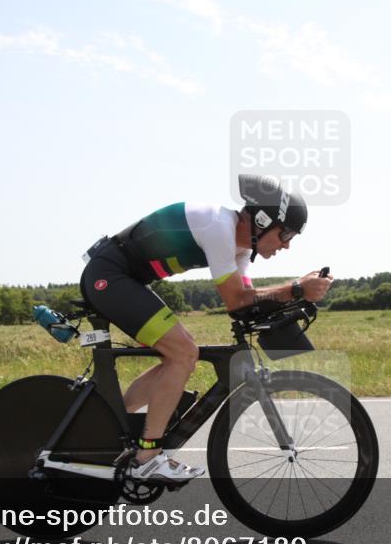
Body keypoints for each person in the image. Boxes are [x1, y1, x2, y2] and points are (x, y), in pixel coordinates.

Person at [79, 174, 333, 484]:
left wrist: (293, 298)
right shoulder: (218, 228)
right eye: (286, 234)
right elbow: (237, 298)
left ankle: (107, 424)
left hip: (124, 278)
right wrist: (295, 288)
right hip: (109, 276)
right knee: (184, 353)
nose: (288, 245)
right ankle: (146, 457)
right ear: (264, 220)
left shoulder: (239, 250)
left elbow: (244, 305)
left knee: (180, 354)